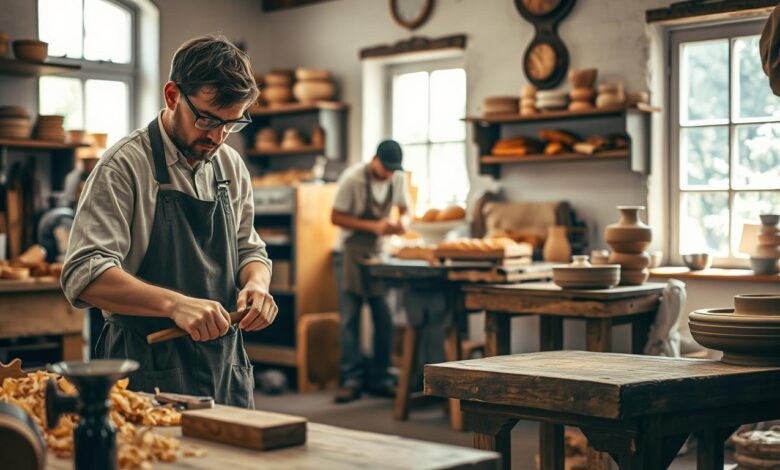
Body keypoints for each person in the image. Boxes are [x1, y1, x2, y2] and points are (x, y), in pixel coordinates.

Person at [61, 35, 277, 408]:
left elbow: (248, 247)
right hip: (147, 364)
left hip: (223, 362)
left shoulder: (230, 165)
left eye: (232, 124)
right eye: (207, 118)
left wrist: (257, 284)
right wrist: (174, 304)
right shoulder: (123, 167)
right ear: (173, 95)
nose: (218, 136)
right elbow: (84, 273)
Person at [331, 140, 408, 403]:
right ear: (375, 159)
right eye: (385, 168)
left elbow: (406, 209)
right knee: (349, 319)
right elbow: (335, 217)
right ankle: (351, 379)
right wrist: (373, 226)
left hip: (378, 255)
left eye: (392, 170)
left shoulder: (397, 178)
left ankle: (380, 377)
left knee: (384, 317)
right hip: (348, 254)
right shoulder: (352, 179)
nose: (388, 174)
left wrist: (402, 224)